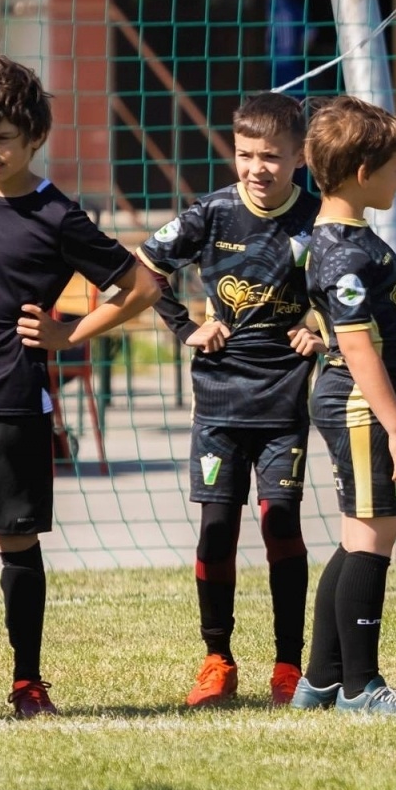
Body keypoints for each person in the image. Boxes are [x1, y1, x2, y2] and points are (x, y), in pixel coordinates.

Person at [0, 52, 161, 717]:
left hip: (9, 400)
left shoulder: (56, 216)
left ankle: (28, 683)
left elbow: (141, 285)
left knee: (16, 545)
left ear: (33, 140)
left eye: (1, 139)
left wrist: (70, 334)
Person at [139, 92, 323, 707]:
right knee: (217, 527)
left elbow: (348, 285)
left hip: (282, 401)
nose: (256, 169)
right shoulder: (211, 214)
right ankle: (217, 659)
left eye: (271, 156)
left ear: (299, 157)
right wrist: (182, 325)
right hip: (218, 400)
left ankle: (288, 666)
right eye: (245, 155)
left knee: (280, 523)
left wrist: (317, 326)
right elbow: (142, 265)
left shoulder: (319, 218)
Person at [291, 96, 396, 715]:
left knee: (356, 538)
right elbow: (353, 344)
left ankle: (321, 679)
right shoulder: (345, 252)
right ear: (362, 173)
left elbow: (381, 332)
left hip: (370, 401)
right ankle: (361, 685)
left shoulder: (352, 239)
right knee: (375, 540)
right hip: (359, 406)